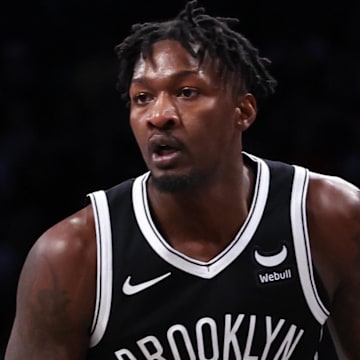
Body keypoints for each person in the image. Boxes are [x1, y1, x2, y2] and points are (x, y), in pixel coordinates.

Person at [5, 1, 360, 359]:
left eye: (186, 92)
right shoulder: (73, 257)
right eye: (142, 98)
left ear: (244, 111)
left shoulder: (328, 216)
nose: (159, 116)